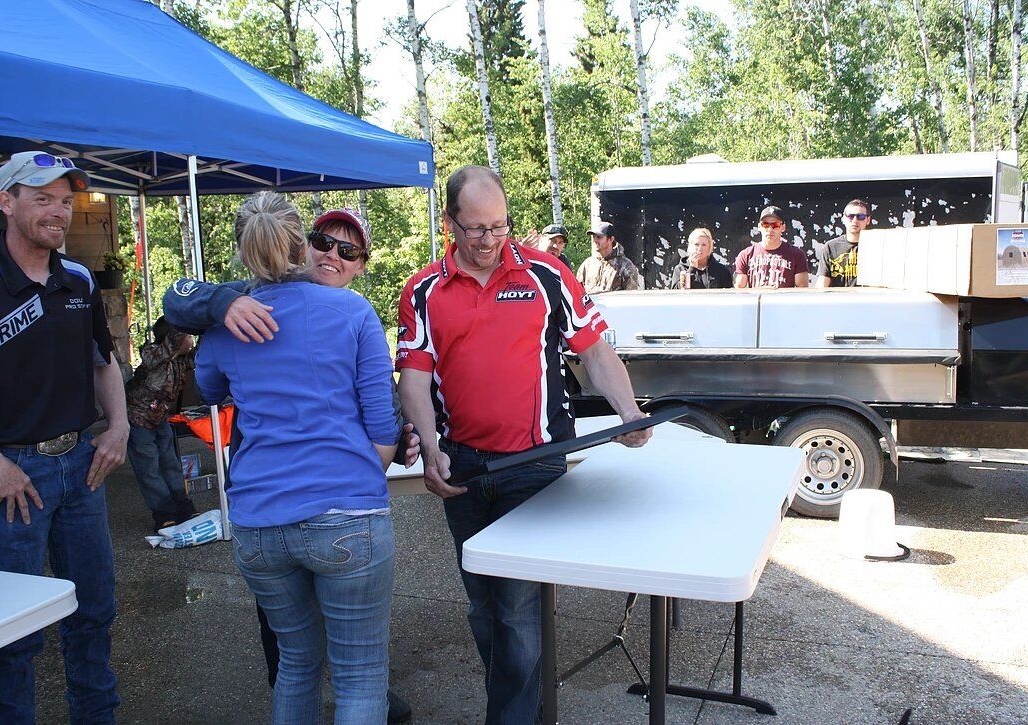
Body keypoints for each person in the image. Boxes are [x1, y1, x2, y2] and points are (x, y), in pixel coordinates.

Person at [396, 166, 652, 725]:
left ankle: (511, 716)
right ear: (449, 225)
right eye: (475, 230)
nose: (489, 241)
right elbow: (413, 378)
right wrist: (432, 447)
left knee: (515, 608)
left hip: (532, 467)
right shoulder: (421, 291)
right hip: (461, 467)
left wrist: (628, 412)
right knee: (483, 603)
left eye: (499, 227)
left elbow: (595, 350)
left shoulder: (546, 273)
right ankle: (525, 704)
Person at [172, 201, 415, 724]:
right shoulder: (353, 313)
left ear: (243, 252)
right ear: (302, 246)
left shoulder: (227, 325)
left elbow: (209, 387)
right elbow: (381, 426)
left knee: (297, 664)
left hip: (258, 524)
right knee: (360, 675)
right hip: (346, 517)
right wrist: (356, 472)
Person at [0, 151, 127, 723]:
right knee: (12, 633)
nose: (59, 212)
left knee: (94, 611)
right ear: (5, 201)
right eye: (43, 198)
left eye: (66, 201)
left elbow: (103, 363)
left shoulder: (78, 278)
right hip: (12, 478)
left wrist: (120, 427)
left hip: (82, 467)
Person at [125, 316, 197, 531]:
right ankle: (164, 512)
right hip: (139, 418)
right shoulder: (153, 353)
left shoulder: (181, 360)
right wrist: (182, 316)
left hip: (160, 418)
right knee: (149, 469)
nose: (190, 339)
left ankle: (183, 506)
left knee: (171, 464)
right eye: (186, 335)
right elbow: (168, 347)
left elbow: (202, 353)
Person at [734, 206, 810, 289]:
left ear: (783, 227)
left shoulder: (797, 254)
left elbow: (802, 288)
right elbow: (739, 288)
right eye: (765, 224)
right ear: (759, 226)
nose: (770, 229)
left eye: (775, 225)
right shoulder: (745, 255)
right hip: (758, 301)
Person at [816, 199, 871, 288]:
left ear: (868, 220)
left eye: (860, 216)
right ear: (843, 219)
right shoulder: (831, 247)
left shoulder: (878, 247)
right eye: (850, 216)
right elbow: (822, 283)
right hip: (838, 300)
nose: (855, 220)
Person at [576, 221, 640, 293]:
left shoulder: (626, 266)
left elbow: (631, 298)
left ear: (611, 239)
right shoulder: (587, 265)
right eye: (594, 237)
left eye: (599, 237)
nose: (595, 240)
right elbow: (577, 292)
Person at [669, 228, 733, 289]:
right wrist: (691, 269)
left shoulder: (721, 270)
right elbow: (676, 293)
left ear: (709, 247)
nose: (700, 249)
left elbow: (729, 296)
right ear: (690, 246)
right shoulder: (680, 269)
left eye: (704, 245)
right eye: (696, 244)